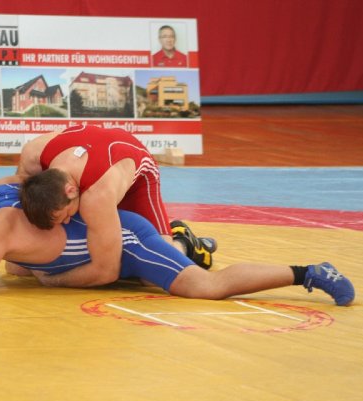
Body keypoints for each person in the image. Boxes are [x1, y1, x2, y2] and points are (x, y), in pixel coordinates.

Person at [0, 176, 355, 307]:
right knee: (21, 269)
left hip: (124, 240)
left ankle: (308, 272)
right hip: (104, 238)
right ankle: (182, 242)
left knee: (203, 287)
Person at [17, 124, 215, 289]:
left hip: (137, 173)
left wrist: (53, 281)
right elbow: (19, 202)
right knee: (18, 267)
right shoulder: (33, 155)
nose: (67, 221)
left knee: (151, 277)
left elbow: (106, 272)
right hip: (99, 160)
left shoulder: (97, 196)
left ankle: (183, 241)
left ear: (70, 191)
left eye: (66, 215)